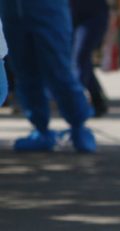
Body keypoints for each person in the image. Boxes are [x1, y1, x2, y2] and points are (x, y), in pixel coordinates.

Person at [0, 0, 97, 153]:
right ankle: (41, 129)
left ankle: (78, 125)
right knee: (24, 73)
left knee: (59, 71)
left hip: (48, 8)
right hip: (12, 11)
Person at [70, 0, 110, 117]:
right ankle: (97, 99)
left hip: (94, 14)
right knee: (77, 60)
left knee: (81, 56)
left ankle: (76, 102)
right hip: (70, 13)